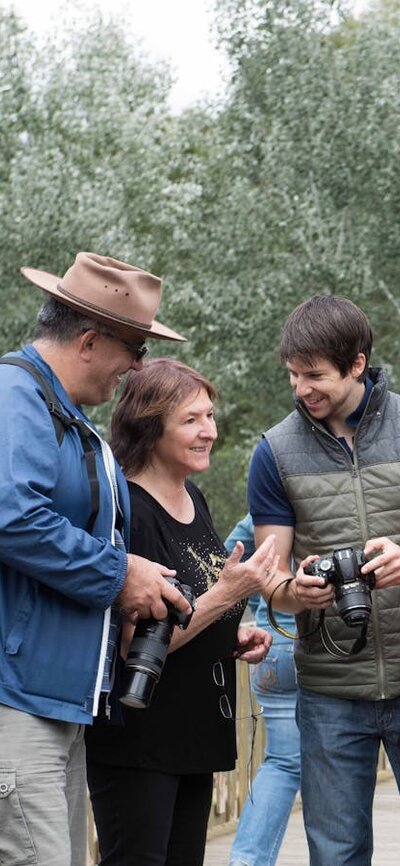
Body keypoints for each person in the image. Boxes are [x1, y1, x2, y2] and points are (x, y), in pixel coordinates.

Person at [0, 251, 195, 866]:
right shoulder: (15, 396)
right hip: (17, 703)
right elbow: (10, 514)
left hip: (57, 701)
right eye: (135, 349)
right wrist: (119, 576)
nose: (137, 366)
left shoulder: (69, 417)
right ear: (89, 340)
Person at [85, 358, 278, 866]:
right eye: (192, 420)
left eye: (210, 417)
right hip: (140, 743)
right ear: (150, 426)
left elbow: (190, 608)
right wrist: (226, 594)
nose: (209, 431)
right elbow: (133, 644)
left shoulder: (194, 496)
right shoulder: (129, 506)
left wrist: (236, 632)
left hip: (195, 735)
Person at [248, 294, 400, 866]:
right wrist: (296, 591)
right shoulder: (273, 452)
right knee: (336, 855)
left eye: (314, 375)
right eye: (292, 374)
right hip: (331, 690)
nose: (300, 388)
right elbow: (273, 575)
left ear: (357, 363)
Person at [225, 514, 300, 866]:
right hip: (322, 649)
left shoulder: (266, 513)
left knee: (283, 764)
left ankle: (247, 860)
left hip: (272, 650)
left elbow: (225, 560)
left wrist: (258, 608)